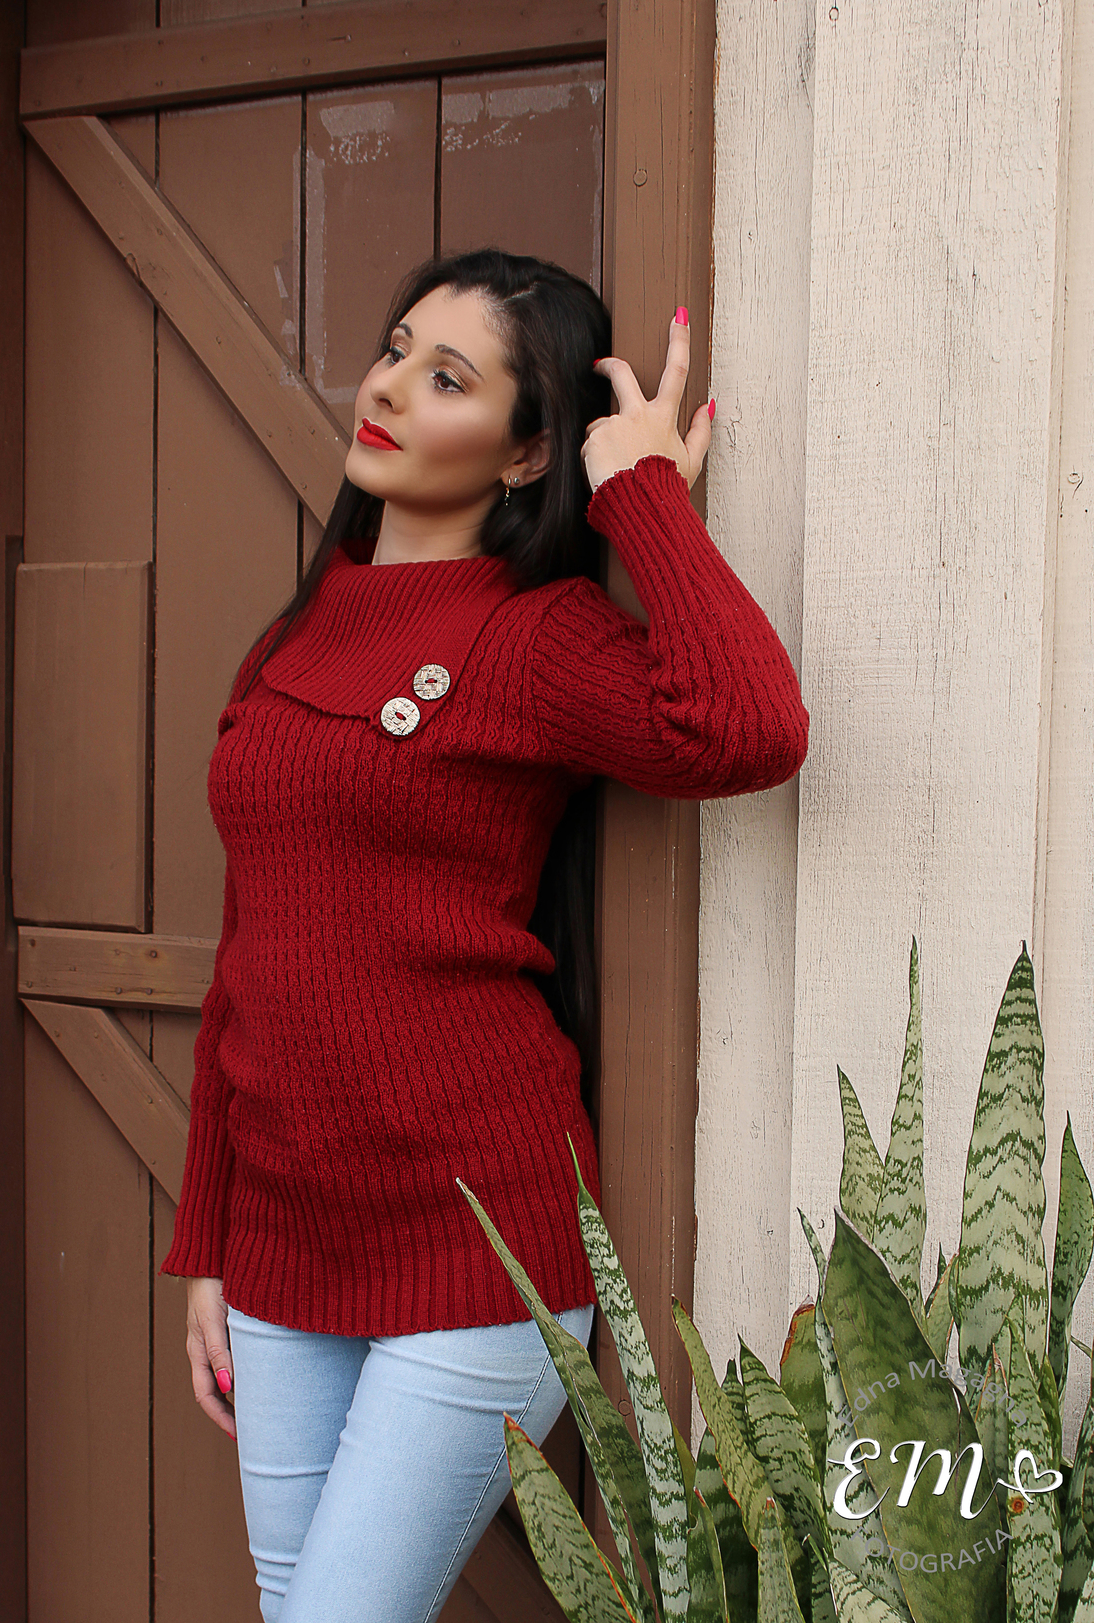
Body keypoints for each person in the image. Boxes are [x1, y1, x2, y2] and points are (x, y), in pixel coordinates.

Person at [158, 247, 809, 1622]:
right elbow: (246, 962)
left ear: (527, 455)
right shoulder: (296, 634)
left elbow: (748, 729)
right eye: (395, 350)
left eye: (447, 377)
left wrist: (642, 493)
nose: (389, 387)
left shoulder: (536, 639)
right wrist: (209, 1238)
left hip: (475, 1243)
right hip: (282, 1243)